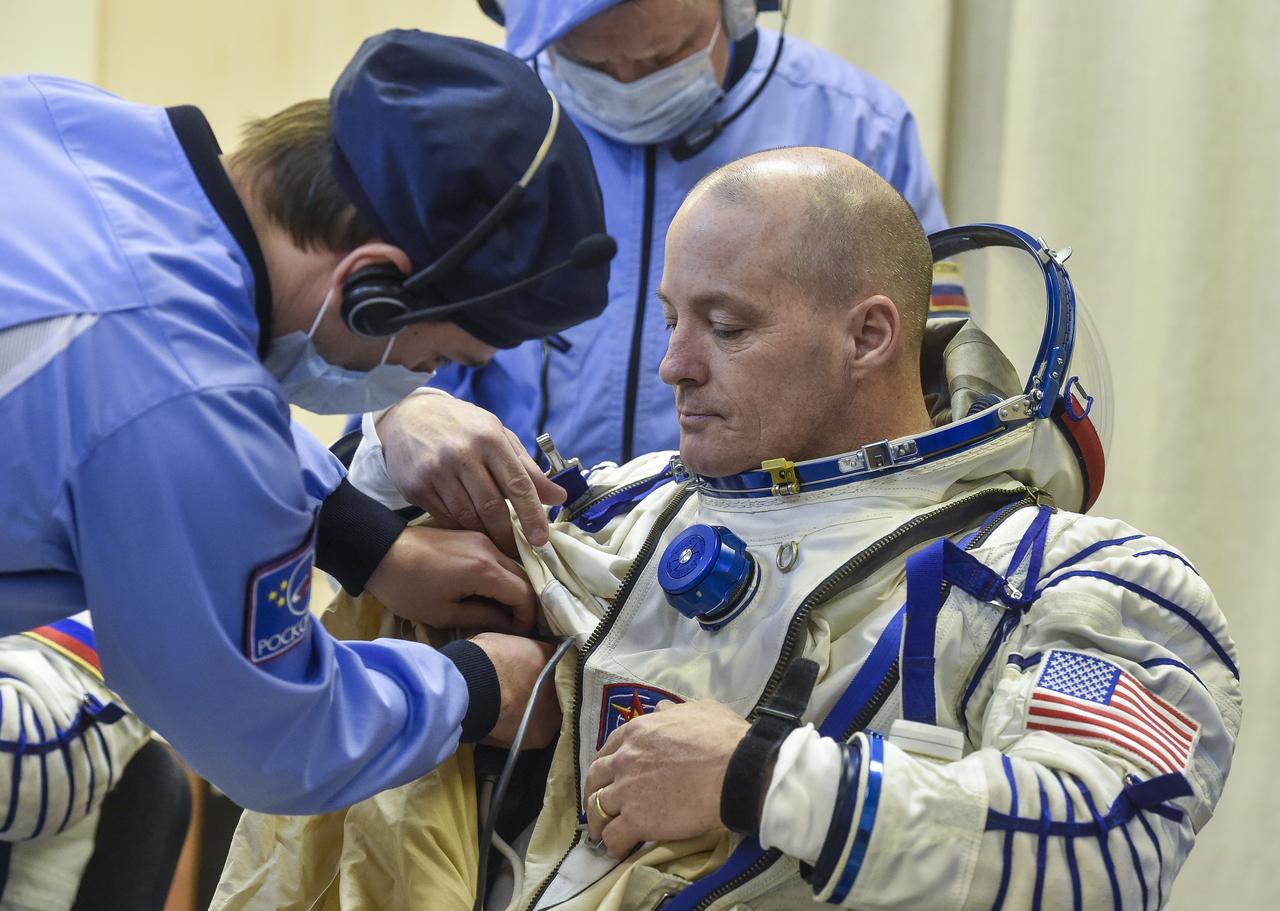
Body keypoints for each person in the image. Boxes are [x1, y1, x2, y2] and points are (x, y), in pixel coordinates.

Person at [217, 149, 1239, 909]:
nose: (674, 366)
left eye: (726, 326)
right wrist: (398, 428)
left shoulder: (1077, 580)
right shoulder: (633, 508)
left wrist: (760, 776)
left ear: (867, 335)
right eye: (669, 318)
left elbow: (1109, 838)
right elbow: (315, 544)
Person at [0, 30, 613, 815]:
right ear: (371, 286)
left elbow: (124, 390)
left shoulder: (69, 121)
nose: (425, 378)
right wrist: (480, 685)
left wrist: (363, 535)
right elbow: (275, 737)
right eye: (436, 354)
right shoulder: (183, 398)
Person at [358, 0, 963, 555]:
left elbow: (909, 379)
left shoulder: (860, 127)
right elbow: (385, 355)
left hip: (790, 556)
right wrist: (398, 415)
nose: (627, 82)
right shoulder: (481, 130)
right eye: (589, 61)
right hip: (521, 554)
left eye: (662, 59)